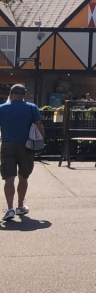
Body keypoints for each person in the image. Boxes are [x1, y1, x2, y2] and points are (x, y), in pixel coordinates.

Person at [0, 84, 43, 221]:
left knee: (9, 178)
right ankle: (20, 206)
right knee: (23, 177)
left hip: (7, 145)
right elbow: (39, 126)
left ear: (11, 94)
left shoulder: (1, 109)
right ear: (24, 95)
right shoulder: (31, 108)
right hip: (27, 146)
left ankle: (10, 209)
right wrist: (41, 144)